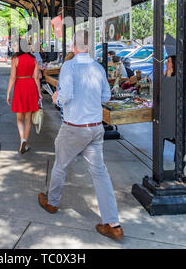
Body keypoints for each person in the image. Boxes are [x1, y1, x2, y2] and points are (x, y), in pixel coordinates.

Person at [38, 30, 124, 241]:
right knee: (100, 174)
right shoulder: (98, 67)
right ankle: (114, 224)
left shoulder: (69, 66)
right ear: (89, 46)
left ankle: (52, 202)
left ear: (73, 47)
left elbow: (65, 96)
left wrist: (57, 98)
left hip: (74, 126)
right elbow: (106, 95)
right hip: (96, 127)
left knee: (61, 164)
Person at [7, 38, 42, 154]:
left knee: (19, 118)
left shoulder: (15, 59)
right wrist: (39, 93)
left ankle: (22, 139)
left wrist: (8, 93)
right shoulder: (33, 59)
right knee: (28, 119)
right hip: (31, 87)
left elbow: (12, 77)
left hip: (19, 87)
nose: (14, 47)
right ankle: (25, 143)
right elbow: (36, 78)